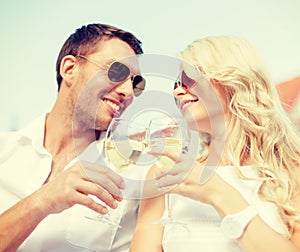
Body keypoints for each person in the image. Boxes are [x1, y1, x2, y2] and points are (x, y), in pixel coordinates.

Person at [130, 36, 300, 251]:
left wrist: (218, 193)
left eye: (189, 79)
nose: (177, 91)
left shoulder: (292, 170)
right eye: (176, 84)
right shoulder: (166, 172)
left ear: (233, 80)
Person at [0, 23, 147, 252]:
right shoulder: (4, 152)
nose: (128, 92)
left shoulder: (137, 174)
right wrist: (42, 201)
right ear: (70, 69)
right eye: (117, 71)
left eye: (136, 83)